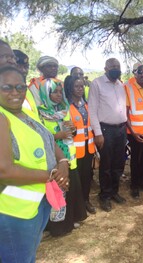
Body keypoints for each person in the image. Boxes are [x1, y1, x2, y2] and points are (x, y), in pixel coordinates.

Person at [0, 66, 69, 262]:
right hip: (12, 211)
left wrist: (63, 162)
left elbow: (48, 138)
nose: (15, 93)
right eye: (7, 87)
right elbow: (4, 171)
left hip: (36, 203)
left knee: (27, 255)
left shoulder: (24, 111)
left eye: (20, 87)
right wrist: (52, 175)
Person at [37, 76, 87, 236]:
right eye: (54, 92)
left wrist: (72, 130)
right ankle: (56, 228)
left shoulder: (64, 110)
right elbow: (41, 136)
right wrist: (57, 135)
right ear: (45, 93)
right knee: (57, 193)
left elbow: (72, 132)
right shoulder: (41, 114)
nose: (58, 95)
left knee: (70, 191)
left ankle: (69, 221)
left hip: (70, 158)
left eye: (60, 91)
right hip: (54, 161)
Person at [88, 58, 127, 212]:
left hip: (121, 130)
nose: (116, 69)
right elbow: (92, 109)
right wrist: (98, 133)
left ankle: (114, 192)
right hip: (105, 130)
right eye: (112, 66)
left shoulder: (120, 85)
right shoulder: (97, 84)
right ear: (105, 68)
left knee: (118, 163)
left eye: (118, 66)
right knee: (106, 164)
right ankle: (104, 196)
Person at [65, 76, 96, 214]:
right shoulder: (66, 106)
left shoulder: (87, 105)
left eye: (82, 86)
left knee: (87, 176)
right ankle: (76, 206)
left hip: (88, 147)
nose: (80, 89)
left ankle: (86, 200)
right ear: (71, 88)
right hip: (74, 150)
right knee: (75, 179)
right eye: (77, 86)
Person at [125, 65, 143, 199]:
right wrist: (132, 132)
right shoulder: (128, 88)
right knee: (135, 160)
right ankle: (134, 185)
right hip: (135, 132)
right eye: (140, 72)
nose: (142, 75)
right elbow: (125, 114)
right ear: (135, 74)